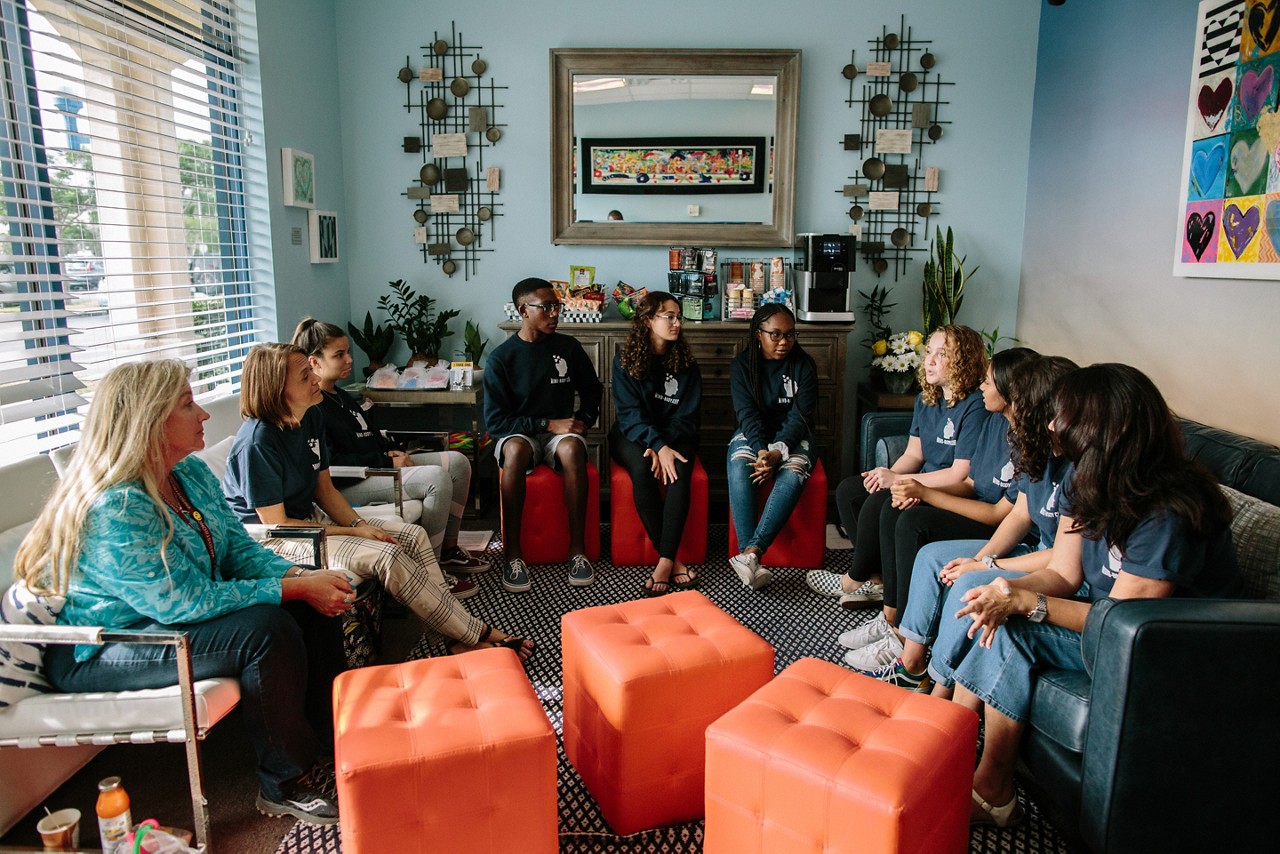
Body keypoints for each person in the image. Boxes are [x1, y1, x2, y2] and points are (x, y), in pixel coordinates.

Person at [16, 360, 348, 823]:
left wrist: (297, 577)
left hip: (164, 624)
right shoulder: (116, 504)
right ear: (149, 420)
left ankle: (332, 740)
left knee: (310, 607)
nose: (205, 415)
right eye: (188, 405)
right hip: (103, 649)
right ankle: (285, 782)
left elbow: (235, 549)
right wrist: (286, 591)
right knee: (265, 629)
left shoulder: (188, 474)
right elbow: (180, 602)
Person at [951, 364, 1241, 827]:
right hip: (1113, 622)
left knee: (1014, 627)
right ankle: (945, 751)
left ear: (1099, 428)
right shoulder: (1084, 476)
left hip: (1174, 650)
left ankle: (992, 788)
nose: (1049, 424)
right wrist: (1004, 587)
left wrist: (1028, 602)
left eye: (1061, 415)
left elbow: (1124, 624)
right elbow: (1064, 575)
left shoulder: (1168, 513)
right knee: (989, 602)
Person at [222, 343, 533, 663]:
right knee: (387, 553)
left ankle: (455, 639)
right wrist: (358, 534)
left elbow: (325, 491)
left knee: (412, 536)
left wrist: (359, 524)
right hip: (276, 540)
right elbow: (280, 524)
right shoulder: (258, 441)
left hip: (311, 521)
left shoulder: (310, 417)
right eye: (304, 376)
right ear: (277, 388)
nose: (315, 378)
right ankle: (474, 633)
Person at [848, 355, 1079, 689]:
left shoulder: (1071, 465)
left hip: (1036, 553)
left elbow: (1051, 551)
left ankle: (933, 682)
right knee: (924, 550)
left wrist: (986, 563)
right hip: (1025, 544)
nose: (981, 388)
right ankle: (910, 663)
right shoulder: (1020, 438)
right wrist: (980, 559)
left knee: (925, 535)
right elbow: (1012, 508)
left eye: (987, 382)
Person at [291, 318, 488, 587]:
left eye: (348, 351)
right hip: (352, 481)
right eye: (339, 355)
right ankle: (429, 572)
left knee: (458, 462)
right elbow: (332, 462)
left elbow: (370, 436)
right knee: (436, 478)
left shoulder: (342, 395)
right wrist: (387, 461)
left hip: (379, 466)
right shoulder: (314, 407)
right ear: (314, 362)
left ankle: (449, 550)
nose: (349, 359)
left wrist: (393, 452)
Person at [819, 325, 989, 608]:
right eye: (929, 352)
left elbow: (959, 473)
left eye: (942, 354)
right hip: (920, 479)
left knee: (882, 502)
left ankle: (852, 579)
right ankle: (877, 580)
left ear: (964, 361)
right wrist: (884, 475)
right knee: (850, 490)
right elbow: (914, 453)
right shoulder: (927, 397)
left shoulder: (975, 406)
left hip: (949, 489)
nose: (930, 360)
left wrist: (897, 480)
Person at [483, 277, 603, 592]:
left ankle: (578, 553)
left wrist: (583, 421)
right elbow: (496, 423)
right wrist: (547, 424)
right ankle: (513, 557)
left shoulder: (568, 347)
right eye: (546, 307)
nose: (554, 313)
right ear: (523, 310)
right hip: (520, 433)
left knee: (573, 451)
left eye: (557, 306)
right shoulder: (501, 359)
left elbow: (592, 389)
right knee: (516, 452)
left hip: (557, 435)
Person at [610, 291, 702, 595]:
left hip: (677, 436)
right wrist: (656, 445)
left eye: (679, 317)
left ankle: (664, 560)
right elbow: (629, 414)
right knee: (641, 467)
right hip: (633, 434)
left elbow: (687, 417)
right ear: (649, 320)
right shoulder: (624, 359)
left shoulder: (687, 363)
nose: (677, 323)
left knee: (679, 469)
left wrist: (665, 445)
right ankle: (674, 561)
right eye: (669, 316)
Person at [726, 303, 818, 590]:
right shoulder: (742, 366)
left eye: (790, 335)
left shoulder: (804, 366)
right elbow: (747, 415)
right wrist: (762, 451)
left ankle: (751, 553)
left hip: (794, 436)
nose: (784, 342)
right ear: (758, 333)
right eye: (775, 334)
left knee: (791, 473)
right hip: (755, 433)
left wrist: (778, 452)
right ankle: (750, 559)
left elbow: (799, 418)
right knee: (742, 466)